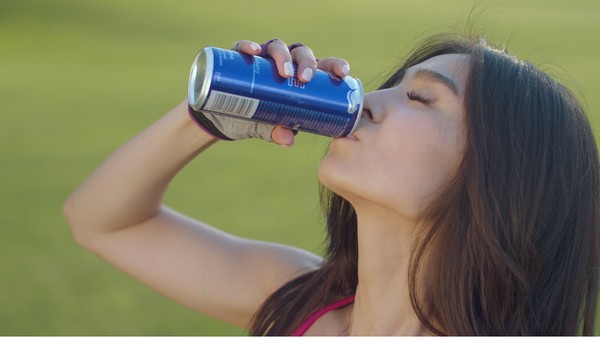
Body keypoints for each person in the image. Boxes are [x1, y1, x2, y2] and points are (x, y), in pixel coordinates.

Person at [63, 34, 600, 335]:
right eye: (390, 88)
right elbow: (100, 221)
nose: (366, 101)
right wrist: (207, 115)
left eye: (420, 98)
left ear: (500, 175)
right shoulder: (297, 300)